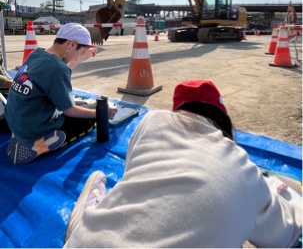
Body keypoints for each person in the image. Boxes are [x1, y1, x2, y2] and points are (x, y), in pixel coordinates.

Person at [64, 79, 302, 248]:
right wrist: (284, 196)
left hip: (87, 242)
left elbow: (132, 175)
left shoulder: (153, 120)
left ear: (178, 111)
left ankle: (93, 204)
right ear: (222, 121)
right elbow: (283, 236)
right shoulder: (241, 168)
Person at [5, 23, 115, 165]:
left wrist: (83, 55)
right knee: (87, 120)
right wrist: (101, 113)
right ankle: (36, 144)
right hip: (33, 125)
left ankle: (19, 137)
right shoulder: (57, 67)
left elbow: (61, 68)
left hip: (16, 120)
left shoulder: (36, 54)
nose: (79, 57)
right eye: (80, 53)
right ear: (73, 44)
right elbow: (69, 110)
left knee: (82, 105)